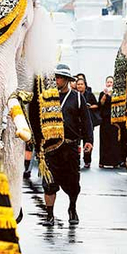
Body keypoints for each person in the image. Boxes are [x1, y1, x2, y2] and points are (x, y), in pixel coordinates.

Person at [43, 64, 93, 226]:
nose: (56, 80)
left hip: (70, 147)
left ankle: (72, 208)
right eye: (55, 77)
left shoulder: (78, 98)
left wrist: (89, 141)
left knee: (72, 182)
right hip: (50, 147)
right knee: (49, 183)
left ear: (66, 80)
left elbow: (87, 121)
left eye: (59, 77)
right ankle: (49, 215)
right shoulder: (48, 97)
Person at [98, 76, 127, 168]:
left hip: (115, 121)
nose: (109, 84)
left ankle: (115, 161)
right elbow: (101, 104)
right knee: (104, 141)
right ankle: (103, 161)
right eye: (108, 82)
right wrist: (105, 95)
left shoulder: (117, 94)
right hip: (105, 121)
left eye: (111, 82)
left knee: (115, 142)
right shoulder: (102, 93)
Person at [75, 75, 99, 168]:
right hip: (77, 123)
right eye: (78, 84)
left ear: (85, 85)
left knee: (88, 141)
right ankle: (76, 159)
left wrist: (88, 107)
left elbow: (97, 105)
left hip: (88, 122)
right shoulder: (74, 95)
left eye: (81, 84)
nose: (80, 86)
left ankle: (87, 160)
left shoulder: (90, 94)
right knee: (76, 143)